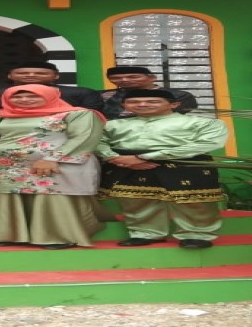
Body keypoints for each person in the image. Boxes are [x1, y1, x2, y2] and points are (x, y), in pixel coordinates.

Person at [0, 84, 106, 249]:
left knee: (51, 195)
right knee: (9, 196)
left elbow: (85, 137)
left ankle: (58, 236)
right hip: (7, 165)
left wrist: (52, 158)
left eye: (33, 96)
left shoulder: (77, 114)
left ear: (49, 96)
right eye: (17, 96)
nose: (24, 100)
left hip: (56, 162)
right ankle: (9, 234)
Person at [96, 89, 229, 249]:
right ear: (124, 105)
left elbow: (208, 143)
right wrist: (112, 157)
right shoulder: (111, 125)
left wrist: (145, 157)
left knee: (193, 202)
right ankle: (145, 233)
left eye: (152, 101)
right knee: (136, 201)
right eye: (133, 102)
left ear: (174, 104)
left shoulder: (202, 123)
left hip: (183, 164)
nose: (142, 104)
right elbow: (96, 141)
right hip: (127, 164)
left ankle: (196, 235)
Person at [0, 62, 102, 115]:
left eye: (41, 73)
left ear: (56, 76)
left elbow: (90, 113)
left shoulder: (83, 92)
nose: (31, 75)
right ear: (9, 75)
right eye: (23, 73)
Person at [100, 66, 197, 120]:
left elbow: (166, 116)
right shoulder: (102, 95)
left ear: (152, 78)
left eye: (133, 77)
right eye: (115, 78)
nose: (124, 80)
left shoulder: (179, 95)